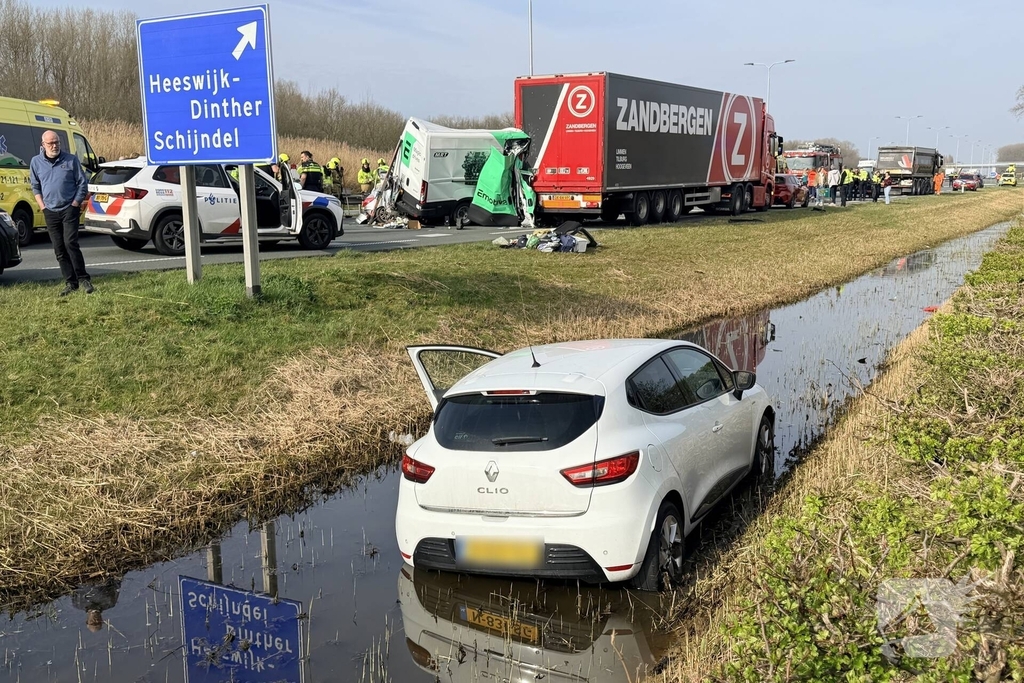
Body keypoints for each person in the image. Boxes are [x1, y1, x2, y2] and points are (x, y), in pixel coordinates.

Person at [30, 130, 92, 296]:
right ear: (43, 145)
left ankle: (83, 278)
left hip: (69, 208)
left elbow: (82, 183)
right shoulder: (36, 162)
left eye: (57, 142)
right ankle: (70, 282)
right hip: (50, 210)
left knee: (70, 243)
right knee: (59, 248)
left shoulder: (70, 160)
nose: (55, 146)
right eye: (50, 143)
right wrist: (42, 206)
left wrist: (75, 203)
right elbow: (35, 186)